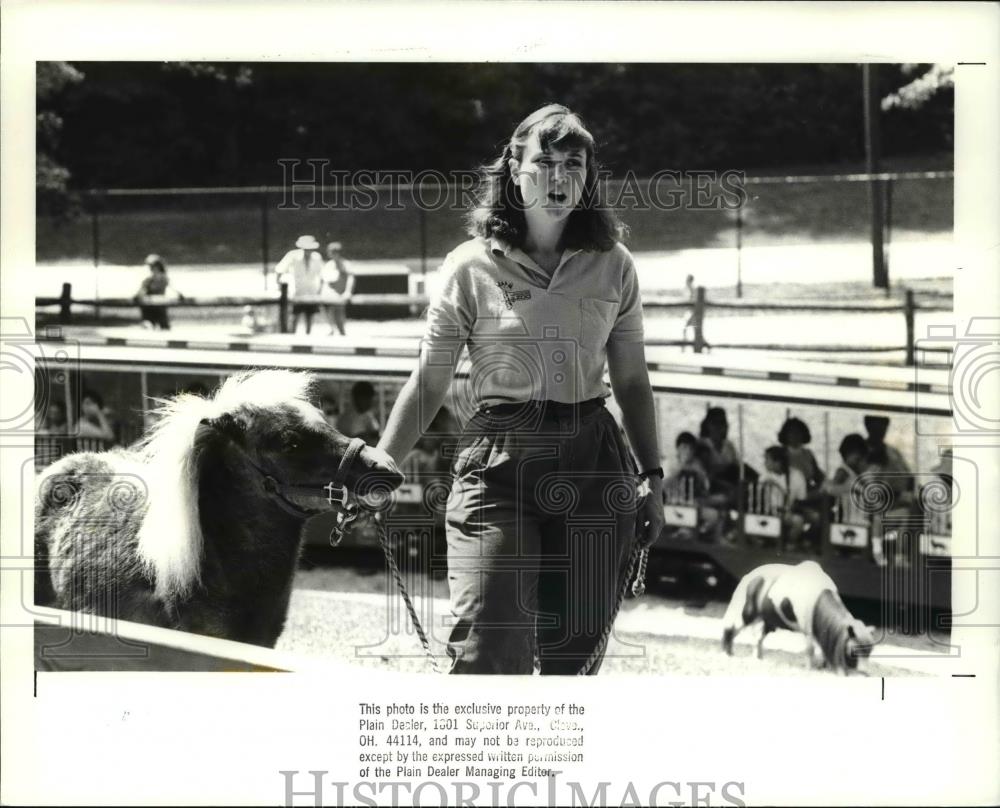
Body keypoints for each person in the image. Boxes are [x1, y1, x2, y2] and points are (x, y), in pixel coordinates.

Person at [375, 104, 665, 675]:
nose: (559, 178)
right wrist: (382, 464)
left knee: (573, 657)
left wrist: (651, 477)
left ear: (588, 176)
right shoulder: (469, 267)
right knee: (489, 645)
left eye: (574, 165)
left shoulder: (615, 264)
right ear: (514, 167)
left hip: (594, 462)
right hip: (500, 460)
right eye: (545, 162)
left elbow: (631, 380)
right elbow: (431, 379)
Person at [275, 235, 325, 334]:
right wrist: (279, 285)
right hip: (297, 292)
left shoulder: (317, 257)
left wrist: (320, 290)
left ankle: (308, 339)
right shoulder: (293, 256)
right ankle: (292, 338)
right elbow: (279, 269)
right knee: (294, 316)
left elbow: (322, 275)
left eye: (310, 249)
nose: (308, 251)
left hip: (312, 292)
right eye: (306, 249)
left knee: (310, 317)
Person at [134, 254, 184, 330]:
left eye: (152, 267)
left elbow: (172, 288)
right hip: (150, 306)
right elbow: (141, 292)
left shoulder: (159, 278)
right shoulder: (150, 279)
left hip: (158, 306)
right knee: (154, 325)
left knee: (162, 326)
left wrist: (179, 294)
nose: (151, 269)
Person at [777, 416, 825, 491]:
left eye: (798, 432)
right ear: (785, 435)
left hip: (808, 492)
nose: (795, 435)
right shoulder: (780, 453)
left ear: (804, 434)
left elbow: (818, 475)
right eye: (791, 432)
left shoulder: (808, 454)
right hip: (787, 492)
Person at [321, 241, 355, 336]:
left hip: (340, 294)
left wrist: (348, 292)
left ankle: (342, 333)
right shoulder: (328, 265)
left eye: (334, 252)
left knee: (339, 316)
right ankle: (331, 329)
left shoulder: (345, 264)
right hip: (329, 295)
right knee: (328, 313)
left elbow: (350, 278)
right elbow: (325, 281)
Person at [337, 381, 380, 446]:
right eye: (367, 399)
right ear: (357, 398)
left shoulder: (369, 416)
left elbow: (375, 435)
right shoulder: (346, 419)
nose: (370, 402)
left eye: (370, 399)